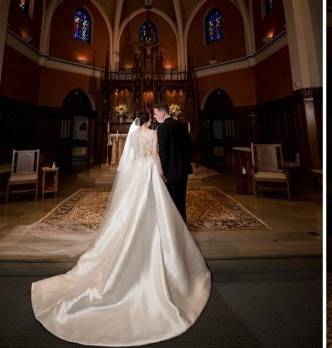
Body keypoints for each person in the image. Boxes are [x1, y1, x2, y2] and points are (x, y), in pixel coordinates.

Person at [31, 111, 211, 346]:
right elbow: (155, 157)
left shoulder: (133, 134)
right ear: (150, 119)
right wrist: (161, 174)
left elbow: (132, 157)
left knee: (130, 211)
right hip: (150, 175)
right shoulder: (154, 133)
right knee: (157, 211)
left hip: (137, 176)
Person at [153, 101, 192, 221]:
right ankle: (183, 229)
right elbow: (189, 147)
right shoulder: (181, 125)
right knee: (181, 202)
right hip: (183, 170)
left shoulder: (162, 128)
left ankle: (175, 232)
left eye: (155, 113)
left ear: (163, 113)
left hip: (171, 172)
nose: (154, 116)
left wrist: (162, 171)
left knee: (171, 204)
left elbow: (163, 152)